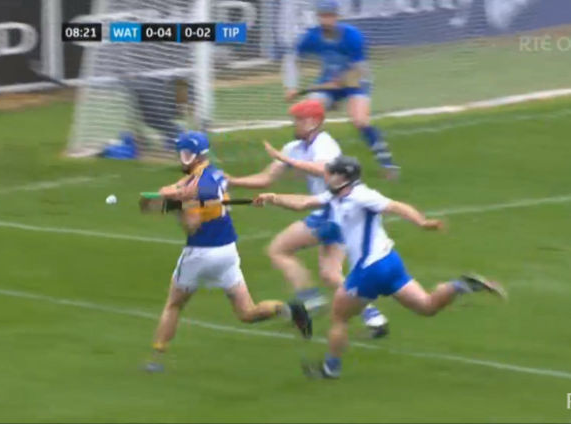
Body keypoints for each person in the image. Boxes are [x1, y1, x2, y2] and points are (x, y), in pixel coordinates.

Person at [254, 156, 507, 379]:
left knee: (339, 318)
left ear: (342, 177)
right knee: (426, 306)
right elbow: (303, 202)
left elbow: (396, 206)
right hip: (390, 262)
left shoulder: (362, 195)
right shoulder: (334, 196)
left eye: (330, 173)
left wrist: (421, 222)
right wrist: (272, 197)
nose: (326, 175)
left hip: (369, 270)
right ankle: (460, 285)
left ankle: (331, 368)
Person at [145, 131, 312, 373]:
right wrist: (170, 192)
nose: (180, 157)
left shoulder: (196, 189)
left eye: (183, 153)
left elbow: (192, 225)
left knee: (174, 305)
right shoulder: (216, 174)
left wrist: (177, 208)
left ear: (192, 155)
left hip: (199, 253)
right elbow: (186, 186)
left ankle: (156, 359)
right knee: (247, 312)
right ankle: (285, 309)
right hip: (227, 253)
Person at [228, 99, 390, 339]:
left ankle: (311, 300)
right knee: (330, 274)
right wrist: (231, 180)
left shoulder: (325, 144)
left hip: (333, 212)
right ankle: (374, 317)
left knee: (279, 249)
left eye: (298, 119)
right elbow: (265, 178)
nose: (294, 123)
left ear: (313, 122)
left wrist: (289, 162)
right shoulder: (293, 147)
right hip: (339, 214)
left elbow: (324, 169)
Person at [282, 0, 399, 179]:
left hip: (357, 81)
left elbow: (359, 70)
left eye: (330, 15)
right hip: (329, 82)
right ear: (318, 16)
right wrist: (291, 86)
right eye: (323, 15)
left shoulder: (352, 36)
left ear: (337, 16)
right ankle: (301, 164)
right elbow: (292, 57)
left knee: (360, 121)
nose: (326, 20)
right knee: (307, 117)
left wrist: (341, 83)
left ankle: (387, 164)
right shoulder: (312, 36)